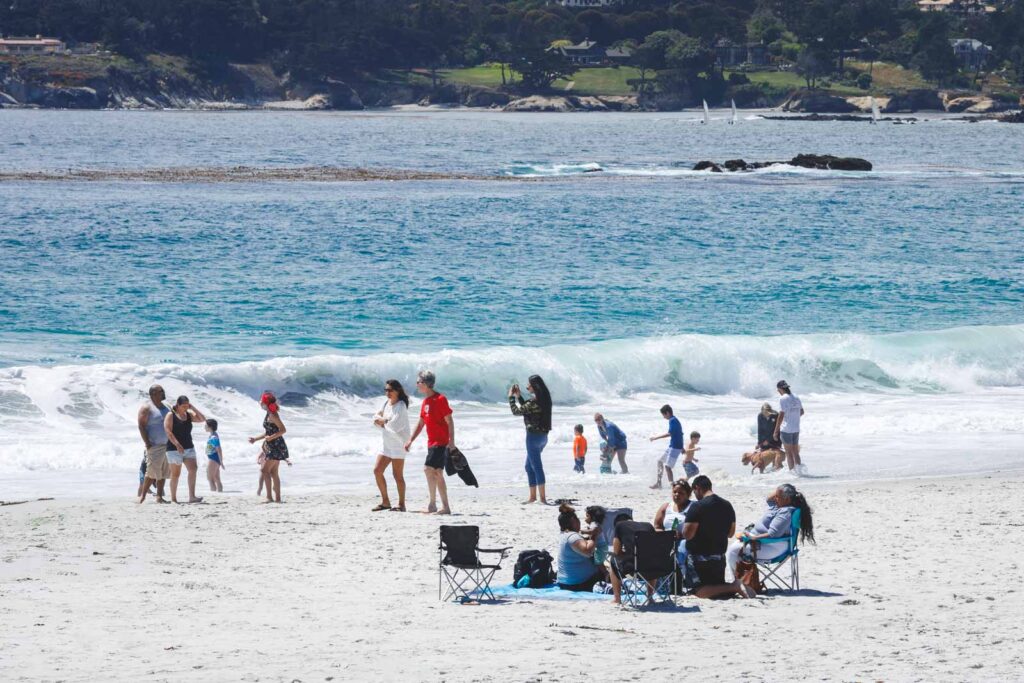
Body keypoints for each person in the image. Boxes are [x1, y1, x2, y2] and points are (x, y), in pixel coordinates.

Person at [726, 483, 815, 581]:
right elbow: (769, 499)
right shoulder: (778, 506)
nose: (775, 498)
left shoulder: (785, 511)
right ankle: (740, 581)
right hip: (768, 543)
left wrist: (754, 538)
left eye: (778, 497)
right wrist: (780, 490)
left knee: (733, 551)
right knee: (734, 549)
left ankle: (738, 583)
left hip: (774, 546)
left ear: (787, 500)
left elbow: (773, 534)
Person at [682, 475, 748, 599]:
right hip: (719, 558)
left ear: (697, 488)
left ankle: (734, 586)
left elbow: (688, 534)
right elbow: (730, 533)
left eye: (694, 492)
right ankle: (730, 587)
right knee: (715, 587)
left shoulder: (697, 506)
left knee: (698, 591)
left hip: (699, 558)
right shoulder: (727, 505)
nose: (695, 495)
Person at [405, 370, 453, 514]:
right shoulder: (425, 402)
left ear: (425, 384)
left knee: (428, 469)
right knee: (437, 472)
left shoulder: (440, 399)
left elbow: (449, 421)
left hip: (441, 442)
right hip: (431, 443)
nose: (417, 385)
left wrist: (452, 442)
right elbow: (421, 424)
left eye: (418, 382)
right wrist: (410, 440)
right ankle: (439, 506)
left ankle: (438, 505)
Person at [508, 375, 553, 504]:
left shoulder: (534, 402)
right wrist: (519, 397)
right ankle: (533, 497)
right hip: (543, 437)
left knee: (536, 466)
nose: (527, 387)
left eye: (529, 385)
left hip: (533, 438)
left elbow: (516, 411)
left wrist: (511, 397)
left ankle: (543, 499)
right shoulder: (544, 401)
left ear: (535, 387)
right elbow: (528, 410)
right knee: (529, 466)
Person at [372, 379, 411, 512]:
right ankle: (385, 502)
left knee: (397, 476)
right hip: (386, 444)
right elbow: (375, 417)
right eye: (386, 390)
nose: (387, 392)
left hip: (399, 444)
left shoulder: (401, 406)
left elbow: (395, 425)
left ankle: (401, 504)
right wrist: (384, 420)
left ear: (397, 391)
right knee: (377, 471)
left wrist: (382, 421)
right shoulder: (385, 403)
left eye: (390, 390)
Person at [164, 395, 206, 504]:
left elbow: (202, 419)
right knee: (175, 474)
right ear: (178, 405)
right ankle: (173, 498)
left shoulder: (189, 415)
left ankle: (192, 496)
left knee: (193, 469)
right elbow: (168, 431)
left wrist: (193, 408)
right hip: (173, 449)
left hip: (189, 448)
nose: (185, 408)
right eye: (183, 406)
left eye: (187, 406)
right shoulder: (171, 415)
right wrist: (177, 444)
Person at [248, 391, 289, 503]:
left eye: (261, 401)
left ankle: (269, 497)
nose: (260, 402)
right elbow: (268, 432)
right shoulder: (269, 413)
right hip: (273, 445)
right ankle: (277, 499)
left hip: (275, 446)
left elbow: (283, 430)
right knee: (273, 472)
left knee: (264, 470)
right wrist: (255, 439)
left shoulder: (273, 415)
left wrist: (271, 438)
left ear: (265, 403)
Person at [608, 512, 655, 605]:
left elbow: (617, 552)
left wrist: (626, 553)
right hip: (654, 569)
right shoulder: (648, 526)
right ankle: (650, 597)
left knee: (613, 560)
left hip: (633, 569)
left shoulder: (619, 525)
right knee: (651, 559)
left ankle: (617, 598)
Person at [655, 479, 693, 589]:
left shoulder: (693, 507)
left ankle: (680, 580)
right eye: (674, 492)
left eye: (681, 493)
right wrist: (665, 534)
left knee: (682, 548)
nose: (677, 495)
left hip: (684, 539)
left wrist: (683, 533)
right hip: (666, 539)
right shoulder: (666, 507)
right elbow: (657, 526)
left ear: (688, 494)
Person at [556, 504, 604, 592]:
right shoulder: (573, 537)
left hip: (566, 582)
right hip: (578, 583)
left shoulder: (564, 534)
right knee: (610, 572)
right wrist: (594, 535)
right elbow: (588, 551)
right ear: (573, 521)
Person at [137, 384, 170, 504]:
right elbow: (141, 426)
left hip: (167, 445)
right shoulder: (147, 408)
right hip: (154, 446)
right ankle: (143, 496)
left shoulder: (166, 407)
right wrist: (147, 443)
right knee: (151, 473)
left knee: (163, 473)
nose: (163, 392)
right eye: (161, 391)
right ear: (153, 394)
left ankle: (159, 497)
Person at [773, 380, 805, 472]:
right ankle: (799, 472)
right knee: (795, 453)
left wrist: (776, 431)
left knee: (789, 453)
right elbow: (802, 412)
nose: (778, 392)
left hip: (786, 429)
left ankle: (792, 473)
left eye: (778, 390)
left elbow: (781, 415)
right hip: (796, 428)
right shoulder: (796, 397)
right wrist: (793, 418)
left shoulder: (783, 398)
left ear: (780, 389)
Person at [649, 404, 683, 489]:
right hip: (673, 446)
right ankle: (659, 483)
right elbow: (680, 433)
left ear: (667, 413)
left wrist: (655, 437)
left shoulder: (672, 420)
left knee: (667, 467)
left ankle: (673, 487)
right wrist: (682, 447)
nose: (663, 417)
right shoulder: (674, 420)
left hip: (675, 447)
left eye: (663, 415)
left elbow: (669, 433)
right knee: (660, 461)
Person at [743, 403, 784, 472]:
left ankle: (776, 471)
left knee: (774, 456)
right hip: (764, 440)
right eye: (764, 412)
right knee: (764, 458)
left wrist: (769, 440)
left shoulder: (775, 415)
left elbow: (776, 429)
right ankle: (766, 474)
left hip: (775, 439)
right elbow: (760, 430)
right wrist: (759, 443)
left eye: (768, 412)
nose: (766, 414)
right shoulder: (760, 416)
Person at [205, 418, 224, 492]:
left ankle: (213, 492)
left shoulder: (213, 437)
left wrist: (221, 461)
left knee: (210, 477)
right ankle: (219, 492)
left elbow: (219, 449)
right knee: (216, 477)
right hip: (214, 457)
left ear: (210, 427)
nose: (204, 427)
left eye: (206, 425)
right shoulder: (213, 435)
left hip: (213, 458)